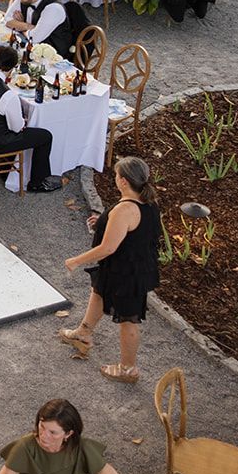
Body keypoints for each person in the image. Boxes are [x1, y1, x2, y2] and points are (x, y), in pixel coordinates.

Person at [60, 156, 162, 383]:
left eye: (116, 175)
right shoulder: (149, 202)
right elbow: (135, 232)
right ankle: (83, 333)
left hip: (126, 273)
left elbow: (108, 248)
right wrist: (103, 221)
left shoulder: (125, 209)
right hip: (128, 267)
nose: (115, 179)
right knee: (98, 293)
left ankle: (128, 369)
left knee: (129, 320)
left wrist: (77, 260)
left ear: (124, 181)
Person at [0, 399, 128, 474]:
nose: (44, 436)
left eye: (53, 432)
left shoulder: (83, 449)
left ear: (68, 434)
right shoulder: (26, 447)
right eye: (42, 426)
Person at [0, 45, 63, 192]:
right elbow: (17, 128)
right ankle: (37, 182)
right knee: (45, 136)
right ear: (11, 68)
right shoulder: (7, 96)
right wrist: (23, 119)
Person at [5, 0, 73, 60]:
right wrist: (27, 26)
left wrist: (19, 26)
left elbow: (34, 38)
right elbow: (7, 19)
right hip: (29, 45)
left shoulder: (53, 9)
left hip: (52, 54)